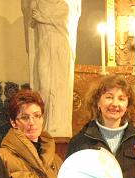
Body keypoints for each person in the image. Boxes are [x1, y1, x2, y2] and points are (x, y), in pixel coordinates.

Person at [0, 88, 73, 178]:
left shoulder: (55, 160)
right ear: (14, 122)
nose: (32, 122)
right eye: (25, 117)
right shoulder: (3, 158)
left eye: (37, 116)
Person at [23, 0, 81, 137]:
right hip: (43, 46)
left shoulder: (64, 5)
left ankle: (56, 126)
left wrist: (43, 18)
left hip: (60, 47)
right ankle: (43, 124)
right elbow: (31, 22)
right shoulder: (39, 3)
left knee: (59, 87)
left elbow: (64, 24)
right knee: (44, 86)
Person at [66, 75, 135, 172]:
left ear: (128, 105)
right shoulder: (80, 142)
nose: (115, 104)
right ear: (97, 102)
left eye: (121, 99)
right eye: (109, 97)